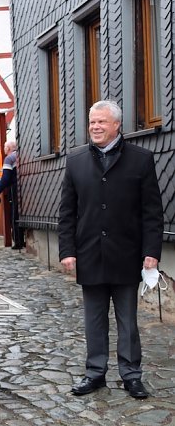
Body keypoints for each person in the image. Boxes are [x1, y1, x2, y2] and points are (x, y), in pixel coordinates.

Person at [58, 100, 163, 400]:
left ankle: (131, 375)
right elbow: (67, 212)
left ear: (117, 125)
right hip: (90, 252)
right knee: (94, 317)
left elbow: (152, 212)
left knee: (127, 319)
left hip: (127, 254)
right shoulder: (76, 160)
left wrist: (151, 251)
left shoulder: (141, 160)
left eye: (102, 122)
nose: (95, 127)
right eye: (92, 122)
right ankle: (95, 372)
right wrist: (67, 250)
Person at [0, 139, 25, 249]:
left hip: (14, 189)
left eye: (5, 147)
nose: (3, 149)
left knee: (14, 215)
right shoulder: (20, 155)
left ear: (8, 149)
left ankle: (18, 242)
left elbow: (5, 179)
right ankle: (23, 240)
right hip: (24, 188)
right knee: (22, 214)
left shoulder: (9, 159)